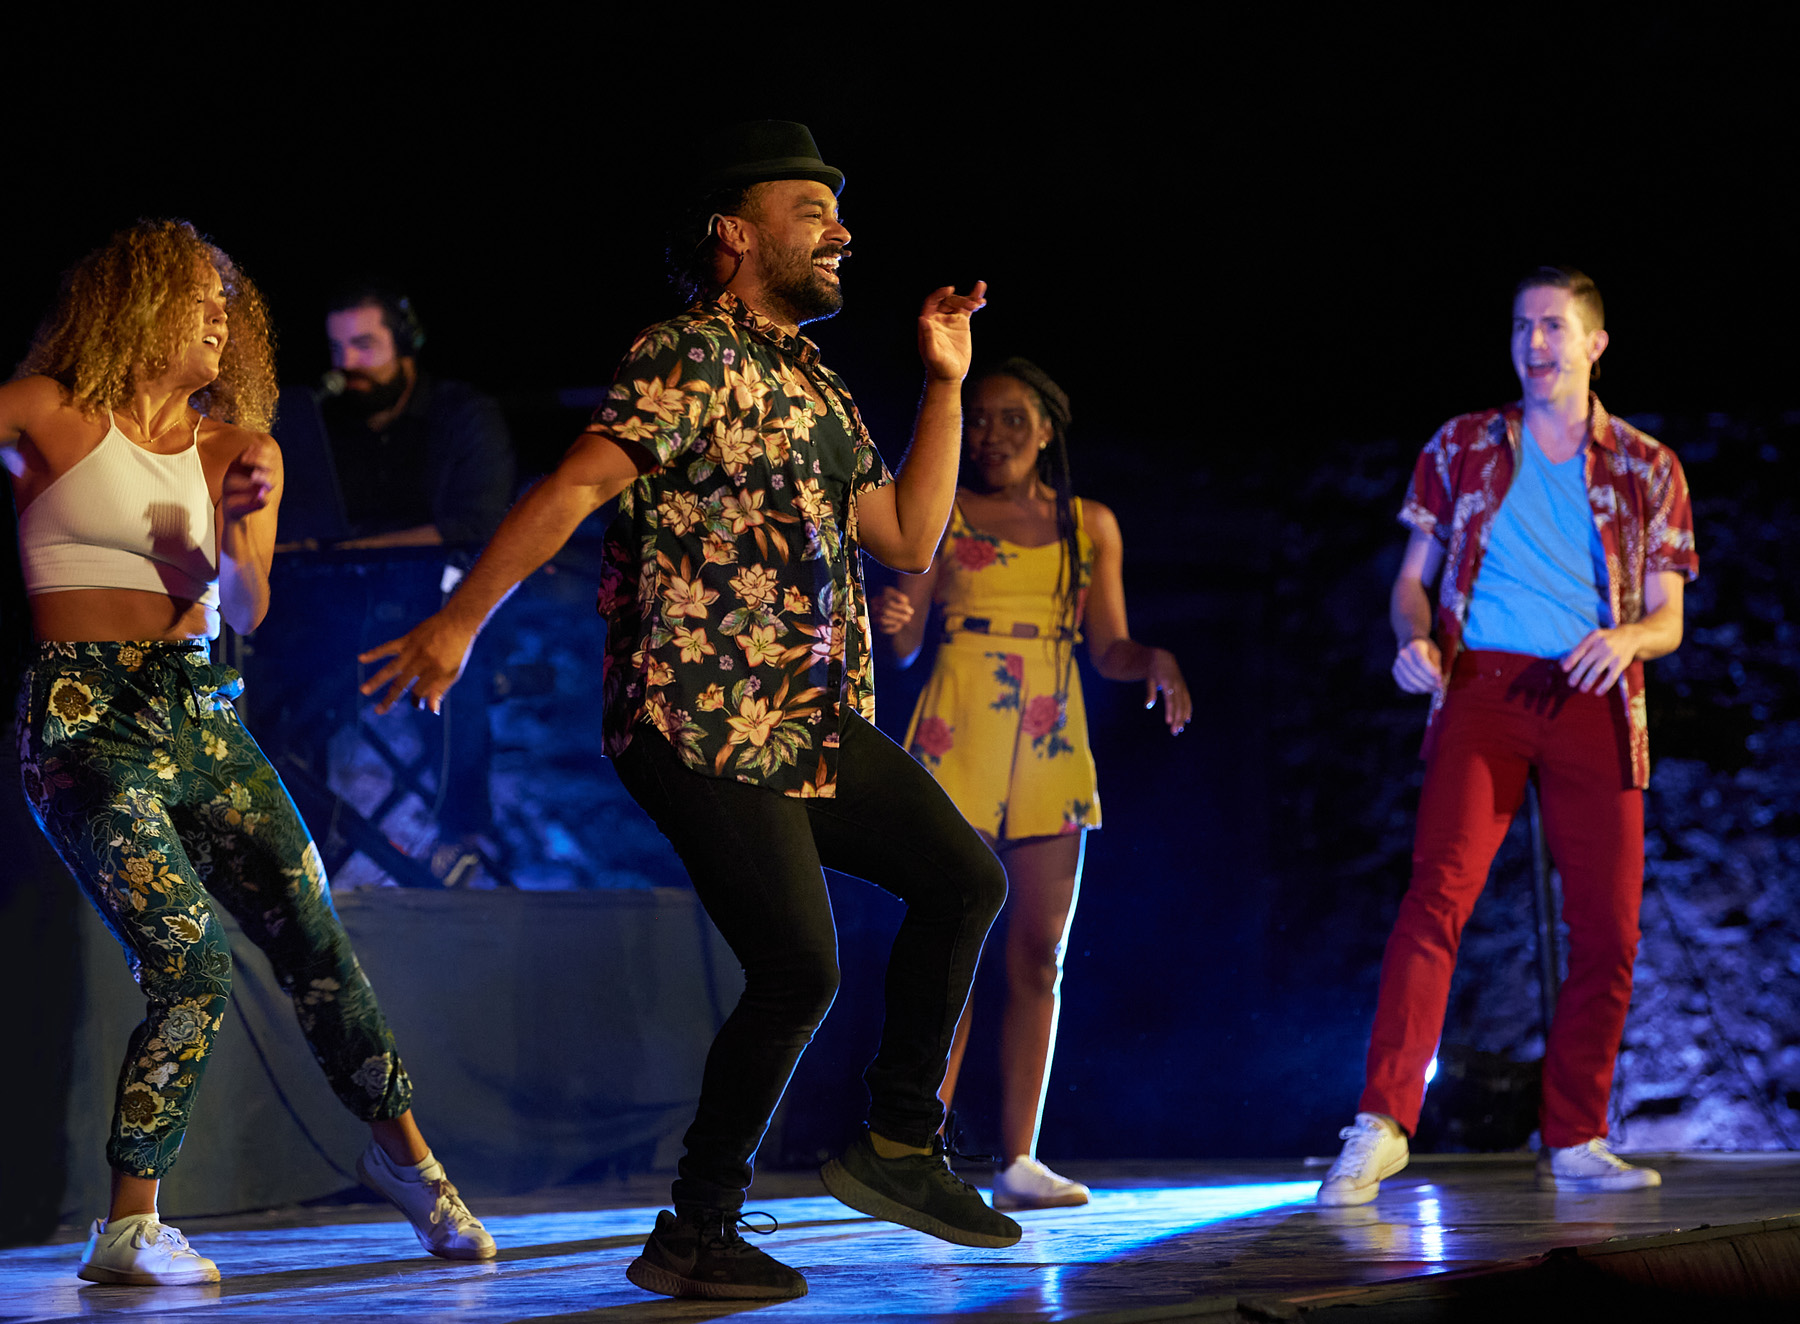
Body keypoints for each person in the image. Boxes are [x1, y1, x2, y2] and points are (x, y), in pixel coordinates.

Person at [357, 121, 1016, 1301]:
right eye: (810, 210)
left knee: (964, 880)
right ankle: (695, 1229)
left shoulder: (816, 382)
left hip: (807, 718)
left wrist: (944, 382)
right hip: (698, 706)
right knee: (799, 967)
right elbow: (575, 483)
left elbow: (910, 536)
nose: (840, 231)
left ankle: (899, 1141)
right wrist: (460, 620)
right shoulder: (686, 353)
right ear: (734, 234)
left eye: (839, 212)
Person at [3, 220, 493, 1283]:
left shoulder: (239, 449)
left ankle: (407, 1162)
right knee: (191, 960)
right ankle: (129, 1226)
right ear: (137, 304)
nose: (220, 316)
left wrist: (229, 534)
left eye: (228, 302)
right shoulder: (43, 411)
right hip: (87, 720)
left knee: (318, 943)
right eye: (198, 297)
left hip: (204, 714)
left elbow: (253, 608)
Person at [1317, 267, 1697, 1207]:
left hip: (1592, 689)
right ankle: (1382, 1122)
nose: (1535, 343)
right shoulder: (1463, 444)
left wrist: (1627, 640)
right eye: (1523, 325)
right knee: (1436, 896)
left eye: (1554, 326)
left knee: (1607, 926)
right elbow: (1412, 581)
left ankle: (1577, 1134)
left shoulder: (1646, 465)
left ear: (1594, 343)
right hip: (1481, 685)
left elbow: (1668, 618)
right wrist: (1413, 640)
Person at [876, 360, 1190, 1210]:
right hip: (960, 729)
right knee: (950, 948)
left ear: (1047, 429)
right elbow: (902, 647)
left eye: (1012, 418)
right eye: (978, 418)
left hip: (1050, 737)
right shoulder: (942, 510)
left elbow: (1109, 647)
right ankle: (912, 1152)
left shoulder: (1091, 525)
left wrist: (1154, 659)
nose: (991, 434)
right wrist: (893, 621)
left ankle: (1018, 1161)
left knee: (1038, 955)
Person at [319, 284, 515, 550]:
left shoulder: (465, 416)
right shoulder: (327, 423)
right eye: (336, 348)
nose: (346, 362)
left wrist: (351, 551)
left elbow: (477, 528)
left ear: (404, 346)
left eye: (363, 345)